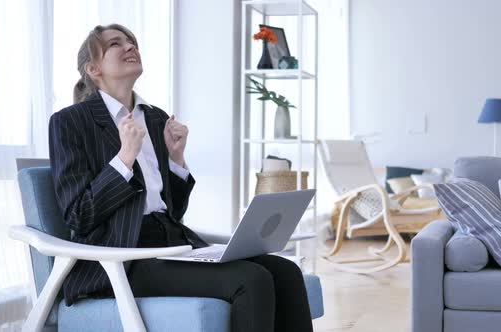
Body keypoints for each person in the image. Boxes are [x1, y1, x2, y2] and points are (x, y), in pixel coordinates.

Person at [49, 23, 313, 332]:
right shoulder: (70, 122)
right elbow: (79, 216)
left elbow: (172, 212)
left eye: (132, 41)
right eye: (115, 44)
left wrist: (176, 159)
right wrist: (124, 159)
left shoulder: (156, 118)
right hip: (122, 259)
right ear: (93, 68)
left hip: (175, 245)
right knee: (250, 280)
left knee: (286, 272)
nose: (130, 47)